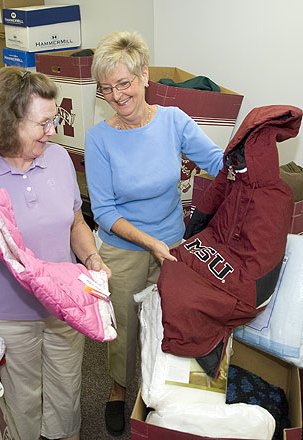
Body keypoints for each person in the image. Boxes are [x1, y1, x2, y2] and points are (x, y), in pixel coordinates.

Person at [0, 67, 109, 440]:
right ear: (7, 122)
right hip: (6, 313)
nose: (53, 131)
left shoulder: (59, 159)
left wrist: (92, 259)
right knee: (22, 396)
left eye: (54, 120)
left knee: (67, 388)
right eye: (43, 123)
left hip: (64, 303)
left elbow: (76, 222)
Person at [85, 31, 224, 435]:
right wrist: (149, 243)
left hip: (173, 243)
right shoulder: (99, 139)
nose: (116, 95)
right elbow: (106, 211)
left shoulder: (173, 120)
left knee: (171, 321)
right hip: (123, 247)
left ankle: (158, 388)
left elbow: (215, 161)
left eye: (123, 84)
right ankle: (117, 387)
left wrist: (250, 153)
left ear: (144, 76)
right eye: (106, 89)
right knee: (125, 326)